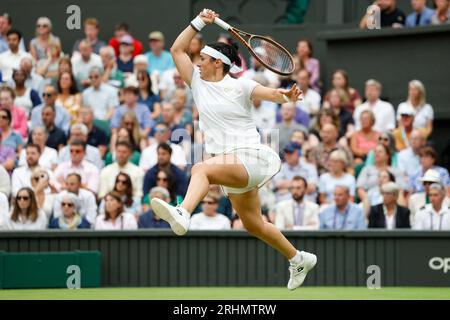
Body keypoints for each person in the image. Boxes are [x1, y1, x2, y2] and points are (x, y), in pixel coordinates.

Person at [150, 9, 316, 291]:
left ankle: (183, 212)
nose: (198, 63)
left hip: (252, 157)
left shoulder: (242, 86)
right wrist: (200, 21)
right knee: (253, 224)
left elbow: (273, 95)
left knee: (201, 168)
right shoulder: (197, 83)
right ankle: (299, 258)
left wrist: (286, 95)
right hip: (232, 163)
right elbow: (176, 49)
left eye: (202, 58)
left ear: (217, 62)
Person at [357, 144, 406, 212]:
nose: (376, 154)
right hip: (370, 198)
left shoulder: (396, 171)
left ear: (387, 155)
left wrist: (402, 210)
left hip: (390, 197)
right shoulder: (366, 170)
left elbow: (400, 190)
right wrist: (366, 200)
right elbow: (360, 188)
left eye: (380, 152)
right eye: (375, 152)